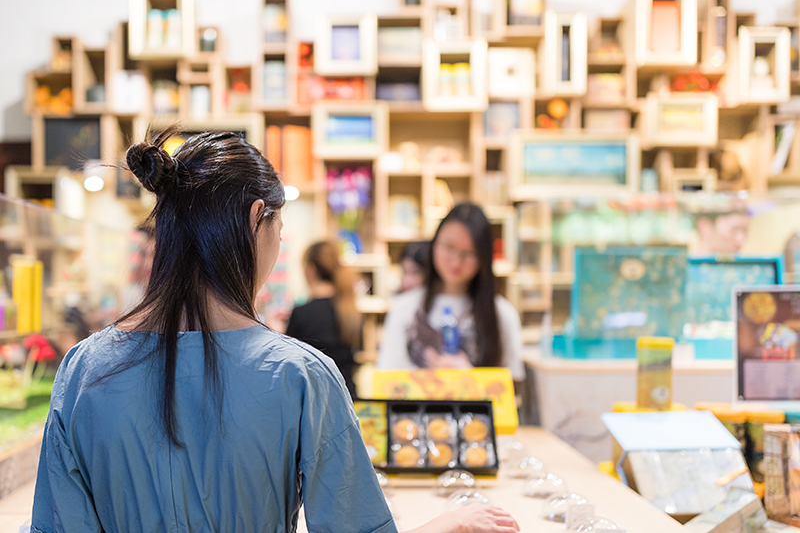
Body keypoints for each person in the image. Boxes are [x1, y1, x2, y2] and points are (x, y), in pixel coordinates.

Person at [31, 129, 519, 533]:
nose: (279, 245)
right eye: (278, 231)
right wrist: (442, 526)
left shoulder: (81, 370)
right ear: (254, 220)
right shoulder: (302, 377)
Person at [378, 203, 525, 384]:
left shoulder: (502, 313)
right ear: (434, 245)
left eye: (468, 253)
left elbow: (513, 388)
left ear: (483, 257)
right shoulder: (404, 308)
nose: (456, 261)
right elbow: (386, 380)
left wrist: (471, 378)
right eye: (448, 248)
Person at [286, 241, 360, 398]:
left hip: (316, 399)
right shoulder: (349, 310)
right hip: (348, 396)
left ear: (310, 270)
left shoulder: (302, 312)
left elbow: (290, 361)